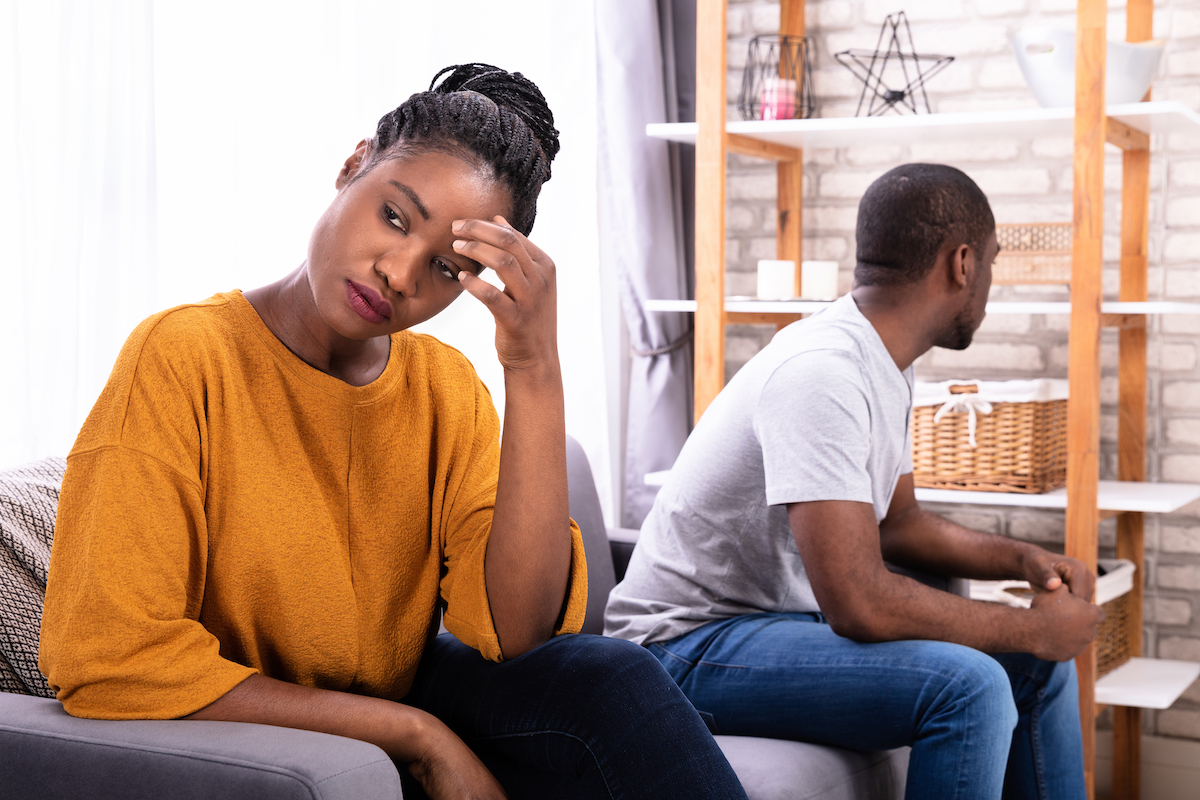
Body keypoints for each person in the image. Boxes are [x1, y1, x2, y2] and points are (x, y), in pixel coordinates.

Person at [39, 63, 748, 800]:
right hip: (249, 730)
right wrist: (413, 733)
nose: (401, 275)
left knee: (616, 681)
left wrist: (533, 366)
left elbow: (517, 631)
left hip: (400, 691)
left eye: (445, 267)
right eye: (395, 217)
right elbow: (110, 655)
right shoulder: (185, 356)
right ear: (354, 165)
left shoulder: (444, 387)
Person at [605, 163, 1103, 800]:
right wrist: (1031, 627)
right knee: (970, 686)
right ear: (962, 263)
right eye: (992, 263)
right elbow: (859, 603)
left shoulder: (884, 358)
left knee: (1038, 668)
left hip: (767, 627)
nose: (989, 284)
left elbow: (899, 525)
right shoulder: (823, 372)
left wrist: (1022, 559)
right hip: (682, 647)